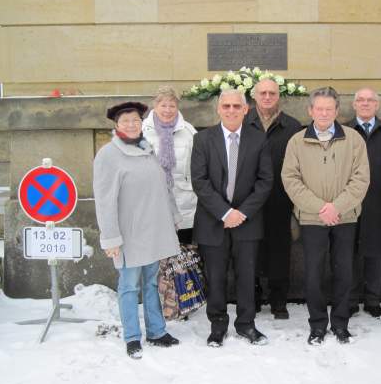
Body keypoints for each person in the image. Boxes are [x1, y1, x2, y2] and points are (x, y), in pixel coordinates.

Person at [282, 87, 370, 345]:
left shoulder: (353, 139)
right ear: (310, 111)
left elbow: (361, 179)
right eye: (318, 108)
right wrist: (321, 207)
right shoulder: (297, 141)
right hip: (312, 218)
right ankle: (318, 325)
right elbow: (290, 179)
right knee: (313, 274)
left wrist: (337, 207)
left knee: (344, 272)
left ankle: (340, 323)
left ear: (336, 111)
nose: (323, 113)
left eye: (328, 109)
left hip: (345, 217)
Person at [93, 101, 181, 359]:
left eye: (135, 120)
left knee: (151, 283)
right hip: (128, 235)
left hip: (152, 231)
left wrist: (173, 217)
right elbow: (104, 200)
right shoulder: (108, 155)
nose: (131, 125)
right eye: (125, 121)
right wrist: (110, 238)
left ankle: (156, 331)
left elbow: (163, 188)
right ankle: (132, 336)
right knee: (129, 286)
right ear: (116, 125)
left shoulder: (147, 149)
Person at [191, 89, 273, 347]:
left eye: (236, 106)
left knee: (246, 277)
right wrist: (225, 212)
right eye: (225, 106)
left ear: (245, 109)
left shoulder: (259, 140)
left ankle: (246, 324)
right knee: (215, 277)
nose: (231, 110)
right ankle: (217, 325)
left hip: (247, 223)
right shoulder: (203, 139)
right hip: (213, 221)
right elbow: (200, 181)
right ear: (218, 109)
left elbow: (265, 181)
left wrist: (241, 213)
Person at [245, 79, 302, 319]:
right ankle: (253, 296)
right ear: (254, 95)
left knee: (281, 249)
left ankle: (279, 300)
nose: (267, 97)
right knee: (250, 250)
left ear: (279, 95)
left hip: (282, 197)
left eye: (272, 93)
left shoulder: (292, 126)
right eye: (262, 93)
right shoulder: (243, 122)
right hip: (249, 199)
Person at [345, 88, 381, 320]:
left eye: (370, 100)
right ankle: (349, 300)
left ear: (377, 105)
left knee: (375, 254)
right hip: (347, 202)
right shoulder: (343, 131)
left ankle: (373, 301)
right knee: (347, 253)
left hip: (379, 202)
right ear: (354, 104)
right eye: (360, 100)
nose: (365, 104)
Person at [142, 86, 197, 245]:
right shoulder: (142, 132)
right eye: (163, 105)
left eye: (172, 105)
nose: (168, 110)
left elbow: (199, 167)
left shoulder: (189, 132)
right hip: (152, 201)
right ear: (155, 105)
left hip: (184, 203)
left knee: (184, 257)